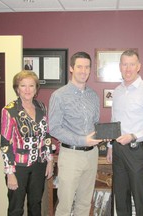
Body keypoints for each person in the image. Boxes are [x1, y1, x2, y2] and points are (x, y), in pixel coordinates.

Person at [106, 49, 143, 216]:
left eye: (132, 64)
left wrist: (133, 135)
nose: (128, 69)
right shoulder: (117, 91)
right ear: (120, 67)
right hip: (118, 151)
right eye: (124, 64)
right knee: (120, 197)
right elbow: (114, 120)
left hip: (138, 151)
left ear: (139, 67)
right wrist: (110, 146)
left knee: (140, 198)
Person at [49, 51, 103, 216]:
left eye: (87, 67)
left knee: (84, 203)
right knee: (65, 205)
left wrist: (103, 135)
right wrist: (82, 140)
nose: (83, 70)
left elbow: (96, 124)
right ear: (71, 68)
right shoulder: (59, 95)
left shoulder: (93, 96)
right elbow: (54, 128)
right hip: (71, 155)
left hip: (92, 155)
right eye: (79, 66)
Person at [0, 70, 53, 216]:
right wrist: (10, 173)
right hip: (18, 166)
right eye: (23, 85)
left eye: (31, 86)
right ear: (17, 88)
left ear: (36, 88)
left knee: (36, 204)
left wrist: (49, 160)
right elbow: (5, 144)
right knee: (16, 208)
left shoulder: (41, 106)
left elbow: (46, 135)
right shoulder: (9, 110)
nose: (28, 89)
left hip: (39, 164)